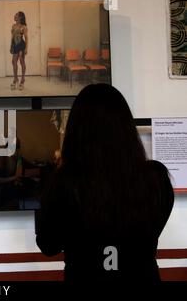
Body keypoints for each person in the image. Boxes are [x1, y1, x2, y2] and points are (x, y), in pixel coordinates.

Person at [35, 84, 174, 282]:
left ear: (76, 130)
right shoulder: (155, 177)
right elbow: (152, 230)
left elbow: (48, 245)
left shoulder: (64, 181)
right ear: (126, 126)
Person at [10, 11, 28, 91]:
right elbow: (12, 37)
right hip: (15, 45)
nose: (15, 16)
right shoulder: (13, 26)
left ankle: (22, 79)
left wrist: (26, 48)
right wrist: (11, 45)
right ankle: (15, 78)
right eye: (15, 14)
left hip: (21, 45)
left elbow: (26, 38)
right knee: (13, 62)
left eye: (16, 15)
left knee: (21, 61)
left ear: (20, 17)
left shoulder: (23, 27)